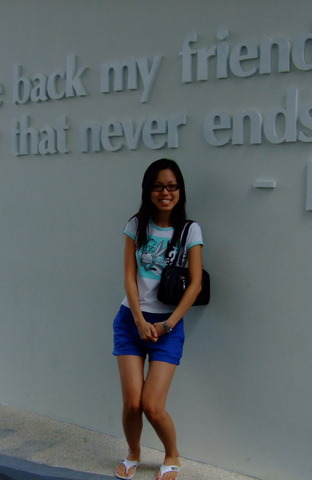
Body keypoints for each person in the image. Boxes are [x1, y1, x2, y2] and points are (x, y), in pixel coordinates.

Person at [113, 158, 204, 480]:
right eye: (158, 187)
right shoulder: (136, 225)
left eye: (172, 187)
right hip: (131, 321)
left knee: (152, 405)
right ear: (148, 190)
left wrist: (167, 325)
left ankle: (172, 454)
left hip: (168, 326)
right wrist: (139, 319)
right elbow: (129, 275)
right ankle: (133, 452)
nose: (165, 193)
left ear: (180, 190)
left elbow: (195, 284)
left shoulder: (190, 230)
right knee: (132, 404)